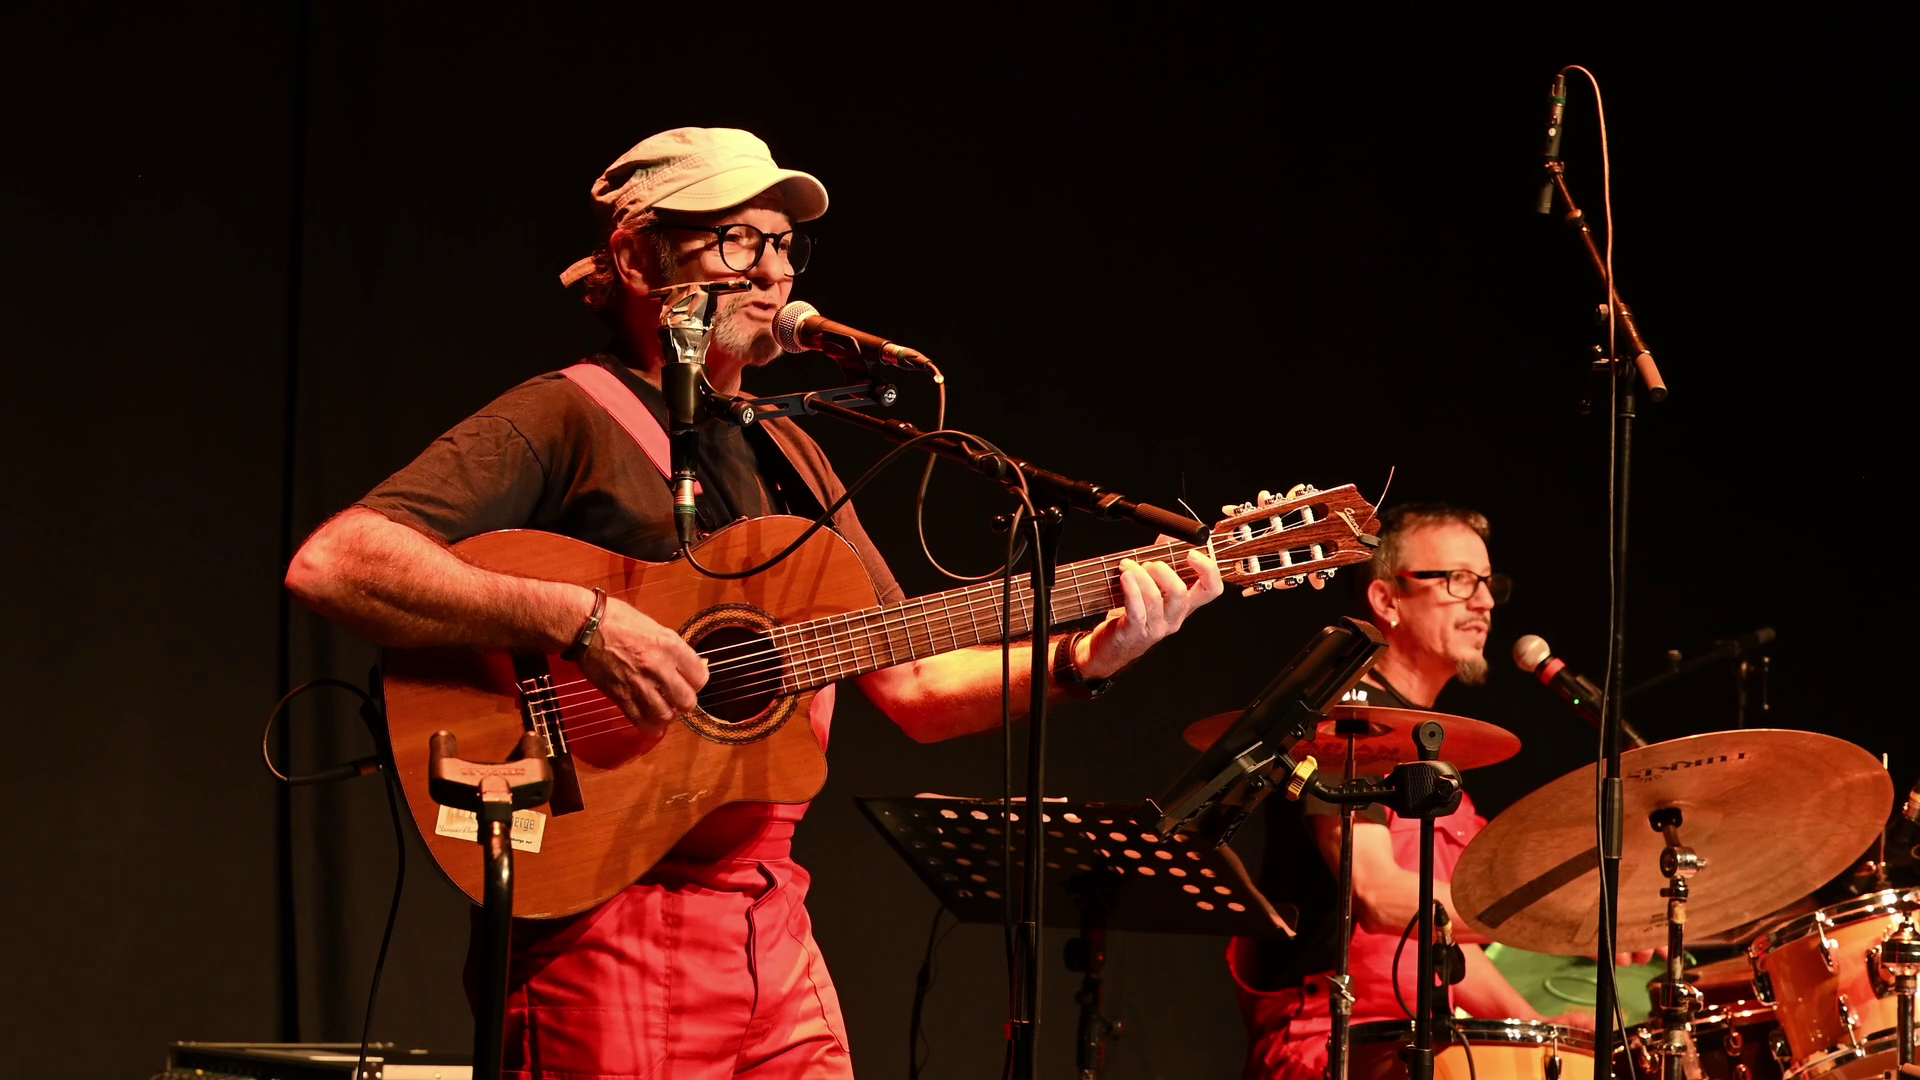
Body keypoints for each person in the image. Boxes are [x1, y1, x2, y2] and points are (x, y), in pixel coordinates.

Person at [283, 127, 1224, 1080]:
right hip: (608, 924)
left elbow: (914, 684)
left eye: (783, 245)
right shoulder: (569, 415)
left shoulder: (796, 455)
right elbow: (338, 561)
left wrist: (1084, 659)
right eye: (739, 241)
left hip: (770, 921)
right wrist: (582, 622)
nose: (773, 273)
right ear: (637, 258)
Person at [1229, 503, 1585, 1080]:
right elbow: (1379, 894)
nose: (1486, 602)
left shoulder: (1424, 742)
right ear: (1386, 600)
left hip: (1421, 1038)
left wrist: (1548, 1038)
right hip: (1334, 1045)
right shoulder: (1352, 726)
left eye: (1488, 583)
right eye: (1459, 580)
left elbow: (1440, 939)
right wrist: (1552, 917)